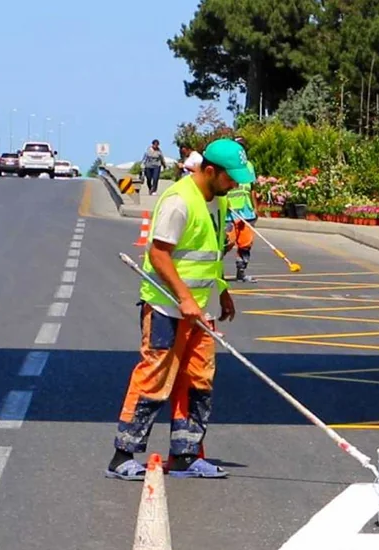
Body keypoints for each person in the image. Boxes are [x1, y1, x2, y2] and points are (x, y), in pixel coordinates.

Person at [106, 139, 254, 481]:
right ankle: (123, 455)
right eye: (231, 177)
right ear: (211, 171)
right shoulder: (178, 201)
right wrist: (184, 298)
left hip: (201, 311)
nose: (235, 184)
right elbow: (159, 255)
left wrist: (223, 290)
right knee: (154, 377)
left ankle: (185, 456)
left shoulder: (216, 201)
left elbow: (209, 254)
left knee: (198, 380)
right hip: (166, 308)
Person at [225, 137, 259, 283]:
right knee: (226, 242)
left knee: (245, 243)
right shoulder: (226, 165)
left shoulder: (249, 166)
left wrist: (255, 208)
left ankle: (241, 272)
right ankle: (215, 272)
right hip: (229, 211)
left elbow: (252, 188)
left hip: (246, 210)